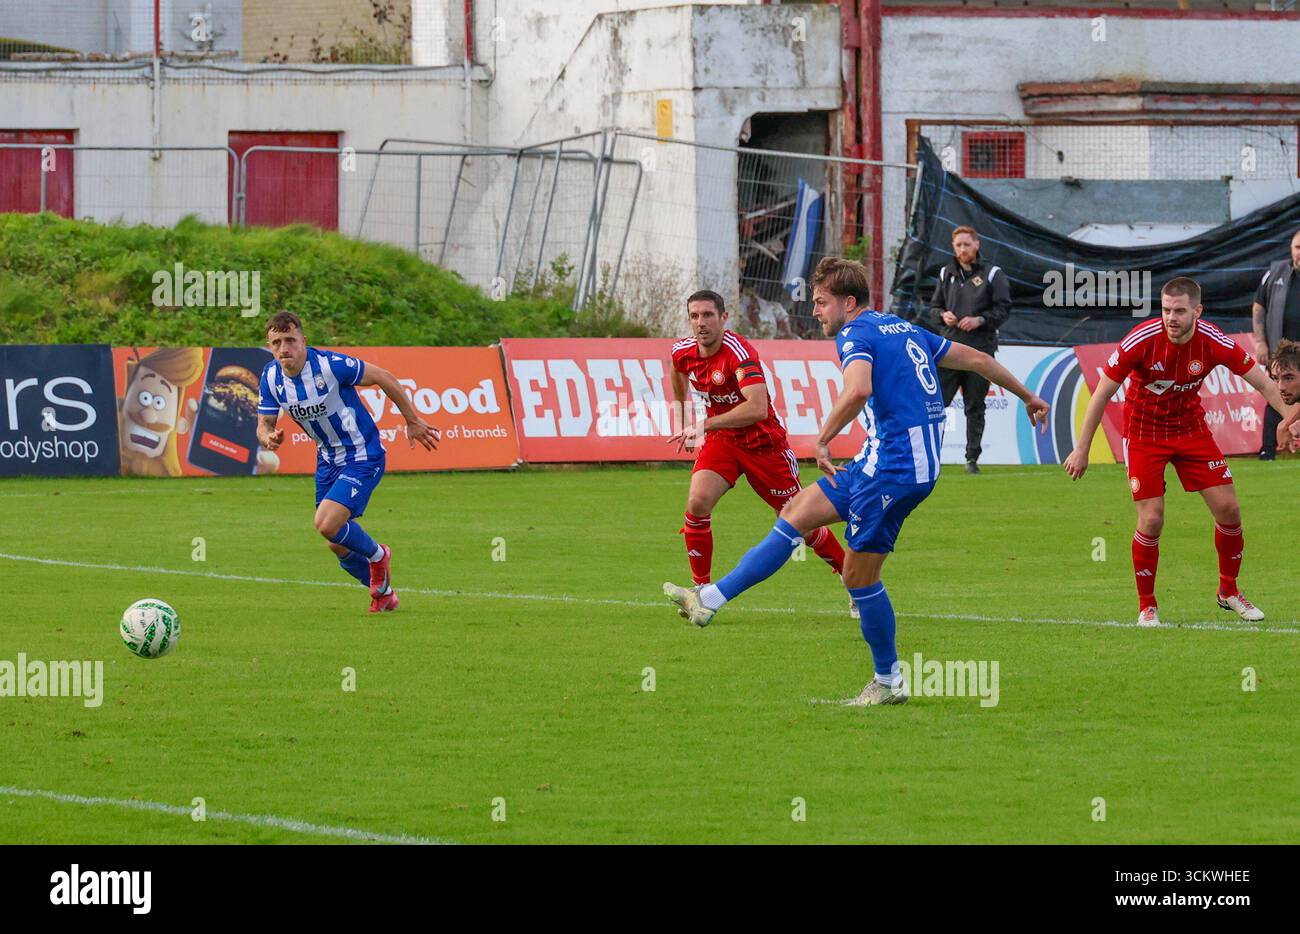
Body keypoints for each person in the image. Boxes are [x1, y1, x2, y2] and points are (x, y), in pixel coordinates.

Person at [663, 259, 1049, 706]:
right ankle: (709, 599)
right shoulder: (900, 328)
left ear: (848, 303)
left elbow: (859, 389)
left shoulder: (855, 335)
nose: (816, 312)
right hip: (881, 460)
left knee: (859, 577)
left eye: (822, 303)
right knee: (795, 515)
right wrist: (1029, 395)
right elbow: (979, 359)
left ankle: (887, 682)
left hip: (896, 469)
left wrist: (823, 439)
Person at [1063, 278, 1293, 627]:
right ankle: (1147, 606)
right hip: (1144, 435)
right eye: (1166, 310)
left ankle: (1228, 591)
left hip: (1190, 430)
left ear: (1197, 311)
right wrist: (1081, 448)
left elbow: (1262, 383)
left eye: (1180, 311)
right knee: (1152, 518)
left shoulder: (1213, 341)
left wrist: (1290, 421)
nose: (1171, 317)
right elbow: (1101, 394)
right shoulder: (1141, 340)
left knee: (1229, 509)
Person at [668, 290, 850, 612]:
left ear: (724, 318)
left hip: (765, 446)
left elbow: (756, 407)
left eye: (708, 315)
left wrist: (703, 425)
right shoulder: (683, 351)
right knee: (697, 502)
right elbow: (677, 369)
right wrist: (684, 416)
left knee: (801, 523)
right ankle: (700, 592)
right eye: (694, 316)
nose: (701, 323)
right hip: (724, 441)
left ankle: (852, 576)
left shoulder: (739, 354)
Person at [255, 311, 439, 613]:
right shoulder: (271, 377)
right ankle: (384, 594)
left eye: (290, 340)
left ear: (304, 340)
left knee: (326, 523)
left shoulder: (330, 365)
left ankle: (379, 555)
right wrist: (267, 438)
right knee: (336, 542)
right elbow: (263, 424)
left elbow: (383, 377)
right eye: (276, 342)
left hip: (362, 454)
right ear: (269, 345)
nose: (284, 348)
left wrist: (412, 420)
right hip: (327, 462)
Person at [929, 226, 1012, 474]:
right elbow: (933, 308)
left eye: (966, 244)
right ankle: (931, 456)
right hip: (950, 349)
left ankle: (971, 459)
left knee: (974, 406)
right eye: (958, 245)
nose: (962, 249)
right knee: (936, 404)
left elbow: (1004, 308)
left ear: (977, 245)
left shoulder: (993, 274)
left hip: (980, 351)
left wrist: (981, 320)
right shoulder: (946, 273)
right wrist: (943, 315)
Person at [1250, 228, 1300, 460]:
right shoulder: (1276, 272)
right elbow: (1259, 306)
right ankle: (1268, 449)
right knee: (1277, 394)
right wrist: (1260, 341)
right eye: (1298, 247)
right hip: (1282, 351)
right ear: (1291, 249)